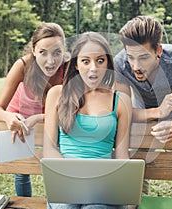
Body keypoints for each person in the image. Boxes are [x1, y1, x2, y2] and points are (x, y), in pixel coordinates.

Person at [114, 16, 172, 206]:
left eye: (144, 57)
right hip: (139, 118)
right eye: (131, 57)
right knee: (136, 163)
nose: (136, 66)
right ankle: (135, 204)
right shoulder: (120, 63)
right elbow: (123, 110)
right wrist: (158, 111)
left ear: (158, 51)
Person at [43, 32, 132, 209]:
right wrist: (72, 177)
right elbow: (49, 148)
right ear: (76, 64)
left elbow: (122, 154)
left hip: (104, 187)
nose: (93, 68)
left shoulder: (121, 101)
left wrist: (127, 195)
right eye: (85, 61)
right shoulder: (57, 94)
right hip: (66, 183)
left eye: (100, 61)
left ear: (108, 63)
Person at [0, 22, 67, 197]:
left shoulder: (68, 68)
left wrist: (38, 118)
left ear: (64, 51)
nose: (51, 61)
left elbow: (71, 112)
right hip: (22, 113)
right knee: (22, 170)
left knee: (59, 162)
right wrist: (8, 117)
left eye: (57, 52)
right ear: (33, 50)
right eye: (43, 52)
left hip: (51, 117)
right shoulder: (23, 66)